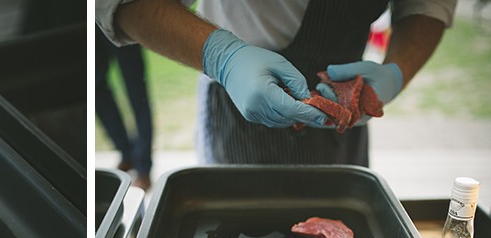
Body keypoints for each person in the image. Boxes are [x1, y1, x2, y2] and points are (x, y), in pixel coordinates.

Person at [96, 0, 456, 166]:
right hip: (239, 112)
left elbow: (428, 5)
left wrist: (396, 71)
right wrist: (224, 57)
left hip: (344, 116)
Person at [96, 24, 154, 190]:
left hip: (119, 16)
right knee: (95, 87)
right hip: (90, 21)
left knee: (137, 92)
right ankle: (126, 152)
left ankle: (143, 167)